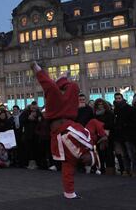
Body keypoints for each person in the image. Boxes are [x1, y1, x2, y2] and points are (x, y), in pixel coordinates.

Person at [31, 61, 98, 199]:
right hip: (66, 118)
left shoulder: (75, 157)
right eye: (88, 160)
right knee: (70, 87)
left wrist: (70, 193)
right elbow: (89, 130)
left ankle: (69, 193)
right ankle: (60, 79)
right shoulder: (87, 142)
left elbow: (68, 169)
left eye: (85, 162)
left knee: (52, 89)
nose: (84, 161)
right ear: (89, 154)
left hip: (57, 120)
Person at [114, 93, 136, 176]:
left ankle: (133, 170)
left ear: (122, 98)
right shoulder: (116, 109)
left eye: (119, 98)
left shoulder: (129, 109)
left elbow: (133, 122)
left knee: (131, 154)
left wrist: (124, 125)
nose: (118, 100)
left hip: (128, 135)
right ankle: (127, 170)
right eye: (116, 98)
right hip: (120, 135)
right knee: (124, 155)